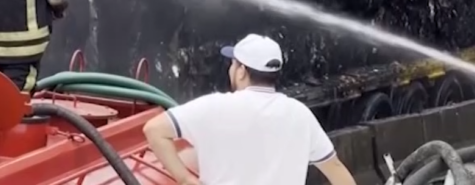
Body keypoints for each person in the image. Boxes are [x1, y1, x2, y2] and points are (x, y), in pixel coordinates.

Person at [143, 34, 356, 185]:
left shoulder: (213, 107)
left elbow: (154, 130)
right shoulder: (300, 114)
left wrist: (185, 179)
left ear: (242, 71)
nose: (231, 69)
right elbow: (335, 168)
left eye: (233, 64)